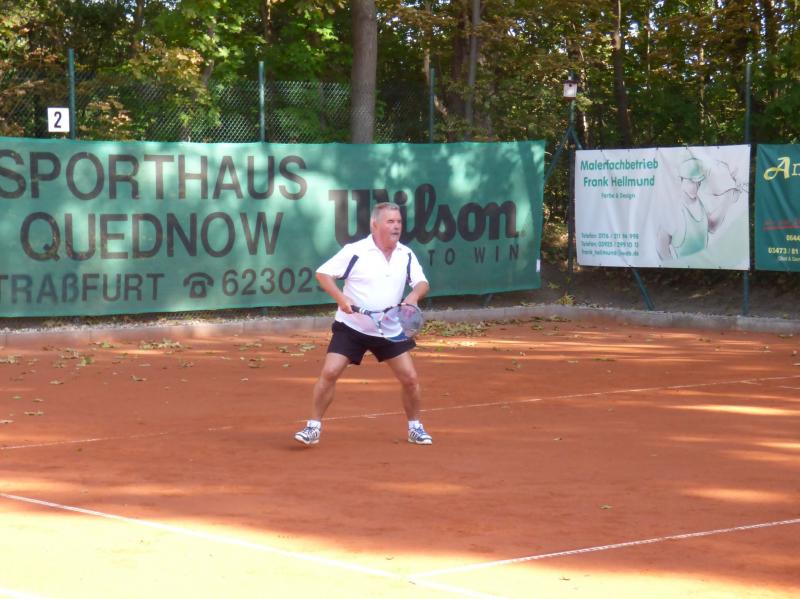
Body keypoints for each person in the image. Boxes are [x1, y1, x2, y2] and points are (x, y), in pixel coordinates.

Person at [294, 202, 432, 446]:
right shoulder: (355, 251)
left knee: (410, 378)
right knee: (330, 372)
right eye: (390, 222)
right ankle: (313, 427)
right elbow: (323, 274)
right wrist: (341, 298)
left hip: (389, 327)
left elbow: (422, 283)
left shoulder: (406, 254)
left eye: (399, 222)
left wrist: (413, 296)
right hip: (352, 327)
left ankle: (415, 428)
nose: (396, 226)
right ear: (375, 224)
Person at [656, 157, 742, 261]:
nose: (696, 187)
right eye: (691, 181)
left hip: (702, 265)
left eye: (699, 182)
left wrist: (728, 197)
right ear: (681, 180)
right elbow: (661, 246)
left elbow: (711, 226)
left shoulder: (699, 202)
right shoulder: (674, 209)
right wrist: (674, 266)